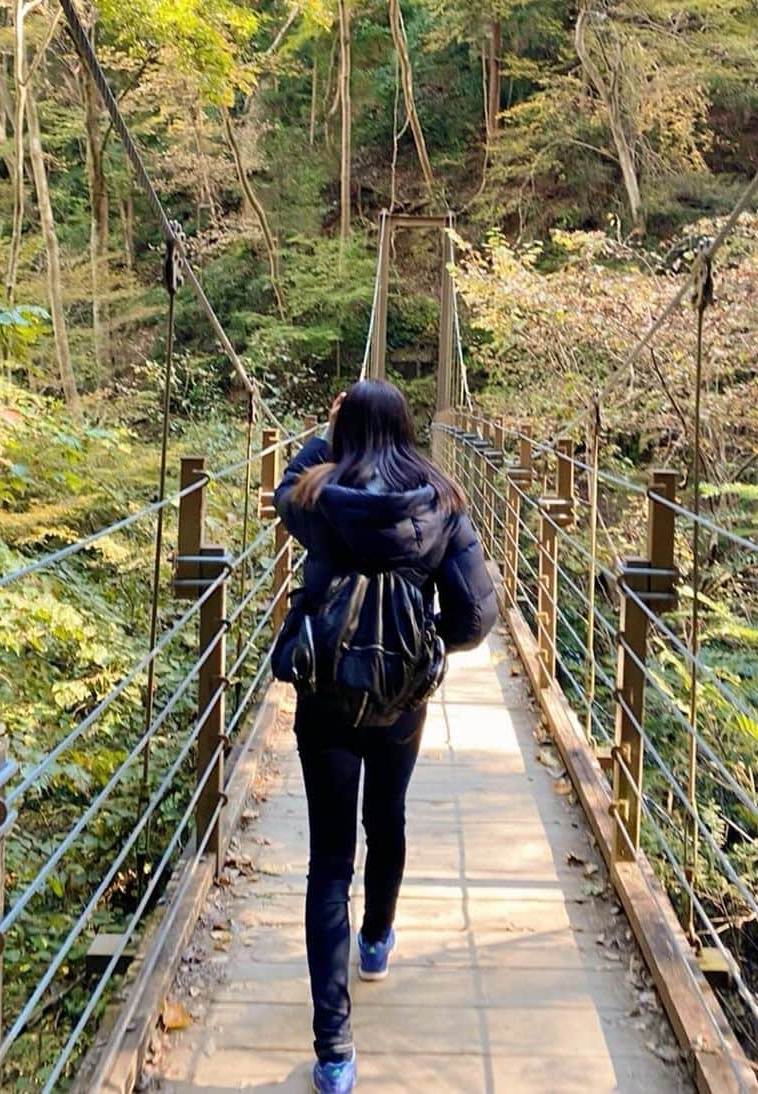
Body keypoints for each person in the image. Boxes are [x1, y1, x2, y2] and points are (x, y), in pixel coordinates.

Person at [274, 380, 497, 1094]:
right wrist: (427, 645)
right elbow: (476, 617)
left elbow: (283, 488)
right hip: (401, 698)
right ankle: (376, 942)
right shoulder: (442, 500)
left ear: (343, 428)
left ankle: (335, 1052)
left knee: (329, 862)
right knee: (388, 819)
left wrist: (325, 434)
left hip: (327, 697)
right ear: (406, 428)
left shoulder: (318, 496)